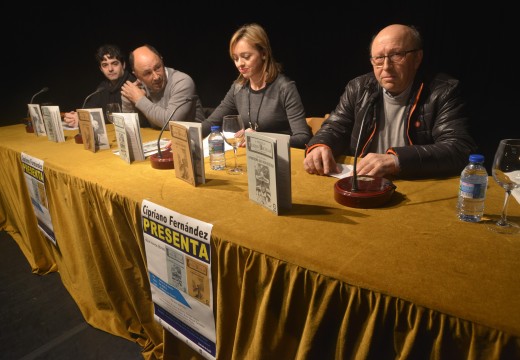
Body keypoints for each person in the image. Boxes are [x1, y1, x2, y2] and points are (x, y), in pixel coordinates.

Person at [303, 24, 477, 179]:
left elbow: (459, 149)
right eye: (379, 58)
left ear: (417, 58)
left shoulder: (443, 91)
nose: (386, 66)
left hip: (415, 183)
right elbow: (335, 126)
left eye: (396, 55)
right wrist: (321, 145)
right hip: (364, 181)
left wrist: (396, 161)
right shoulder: (358, 87)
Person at [202, 23, 312, 148]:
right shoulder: (238, 88)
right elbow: (212, 122)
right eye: (235, 58)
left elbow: (303, 138)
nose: (239, 64)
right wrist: (183, 136)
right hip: (254, 156)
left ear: (264, 53)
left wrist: (259, 138)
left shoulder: (284, 88)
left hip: (284, 158)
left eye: (246, 57)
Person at [120, 44, 206, 129]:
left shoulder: (182, 81)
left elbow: (171, 122)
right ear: (137, 75)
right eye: (147, 73)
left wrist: (140, 100)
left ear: (162, 60)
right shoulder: (140, 88)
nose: (156, 77)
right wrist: (128, 99)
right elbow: (132, 128)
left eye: (157, 67)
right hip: (158, 139)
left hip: (193, 139)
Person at [63, 44, 136, 128]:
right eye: (105, 65)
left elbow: (124, 118)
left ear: (123, 65)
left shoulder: (133, 84)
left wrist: (89, 119)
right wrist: (77, 117)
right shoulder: (102, 87)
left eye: (114, 63)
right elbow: (89, 109)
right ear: (101, 69)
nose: (110, 69)